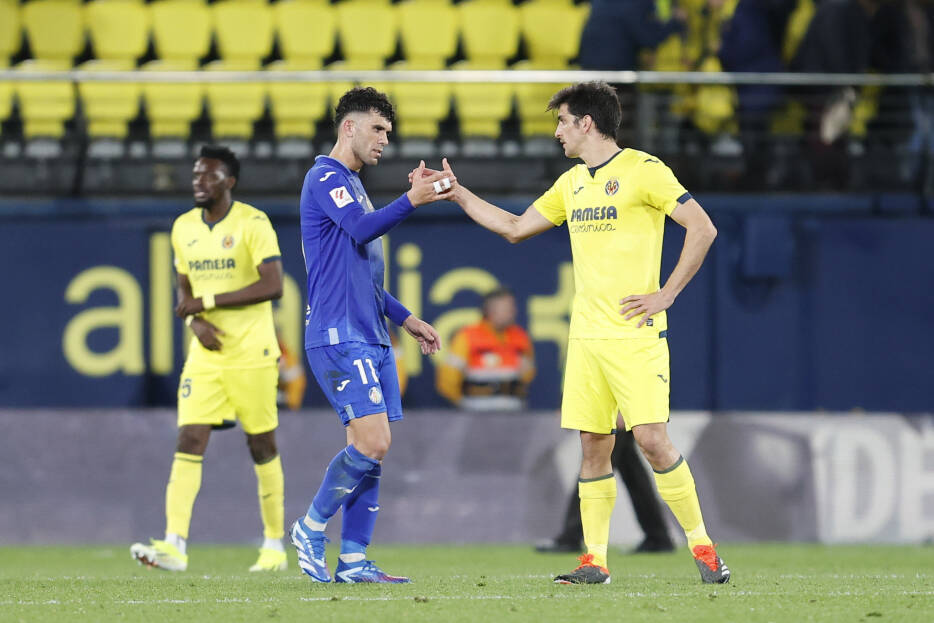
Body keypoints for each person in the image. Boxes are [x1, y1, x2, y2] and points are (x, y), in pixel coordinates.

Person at [429, 81, 729, 585]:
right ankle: (594, 560)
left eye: (562, 121)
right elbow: (514, 228)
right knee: (594, 447)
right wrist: (458, 193)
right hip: (588, 339)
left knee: (653, 441)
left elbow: (702, 227)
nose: (557, 132)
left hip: (635, 335)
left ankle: (704, 550)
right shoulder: (571, 183)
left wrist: (667, 293)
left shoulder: (644, 170)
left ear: (586, 123)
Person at [290, 87, 450, 584]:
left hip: (371, 333)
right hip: (339, 334)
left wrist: (406, 319)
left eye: (388, 131)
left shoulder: (354, 185)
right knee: (373, 441)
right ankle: (310, 526)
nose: (384, 139)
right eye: (377, 129)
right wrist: (412, 199)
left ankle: (355, 559)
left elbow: (365, 279)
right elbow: (360, 231)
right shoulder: (325, 177)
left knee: (369, 448)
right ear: (349, 127)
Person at [131, 145, 288, 573]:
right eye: (196, 175)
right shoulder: (183, 227)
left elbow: (273, 285)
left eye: (209, 176)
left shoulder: (253, 223)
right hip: (207, 354)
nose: (199, 182)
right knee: (189, 439)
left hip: (253, 352)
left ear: (229, 182)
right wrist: (195, 323)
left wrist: (210, 300)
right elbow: (185, 291)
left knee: (261, 444)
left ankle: (274, 545)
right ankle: (174, 545)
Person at [536, 415, 675, 555]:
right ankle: (658, 537)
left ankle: (571, 536)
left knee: (594, 469)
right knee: (631, 471)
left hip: (613, 410)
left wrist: (621, 410)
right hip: (613, 409)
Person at [436, 287, 536, 411]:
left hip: (514, 414)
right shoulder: (467, 337)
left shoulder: (520, 337)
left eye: (512, 307)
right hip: (477, 415)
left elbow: (528, 374)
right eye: (507, 308)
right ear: (491, 310)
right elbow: (448, 379)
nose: (513, 312)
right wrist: (463, 404)